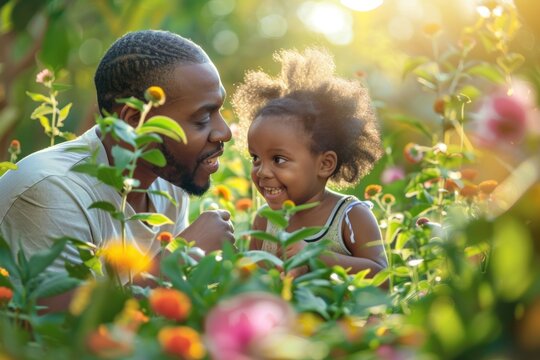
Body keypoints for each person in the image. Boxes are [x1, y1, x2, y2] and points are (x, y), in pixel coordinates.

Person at [0, 30, 234, 278]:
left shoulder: (167, 181)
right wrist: (181, 256)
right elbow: (70, 316)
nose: (225, 132)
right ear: (134, 121)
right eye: (202, 118)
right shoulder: (51, 191)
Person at [232, 48, 387, 276]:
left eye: (278, 159)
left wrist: (316, 257)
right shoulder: (265, 222)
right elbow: (256, 283)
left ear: (325, 164)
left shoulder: (350, 217)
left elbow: (382, 278)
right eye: (255, 158)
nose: (262, 171)